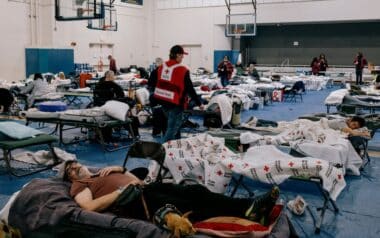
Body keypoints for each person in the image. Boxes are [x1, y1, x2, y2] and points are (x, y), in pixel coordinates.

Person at [61, 160, 280, 225]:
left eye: (74, 163)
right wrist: (121, 190)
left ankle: (247, 207)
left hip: (144, 188)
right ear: (70, 177)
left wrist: (121, 169)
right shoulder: (79, 185)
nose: (75, 167)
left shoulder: (100, 172)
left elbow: (135, 179)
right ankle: (245, 212)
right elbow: (89, 207)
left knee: (194, 190)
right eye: (70, 169)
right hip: (134, 199)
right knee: (183, 204)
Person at [152, 45, 204, 142]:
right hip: (175, 103)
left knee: (175, 126)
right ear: (178, 55)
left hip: (163, 101)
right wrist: (199, 103)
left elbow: (153, 82)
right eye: (182, 55)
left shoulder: (161, 67)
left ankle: (176, 147)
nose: (183, 57)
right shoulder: (182, 70)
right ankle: (162, 151)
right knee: (172, 129)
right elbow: (190, 88)